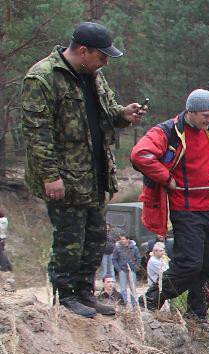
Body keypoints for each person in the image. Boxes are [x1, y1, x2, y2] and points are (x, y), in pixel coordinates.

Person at [21, 21, 146, 318]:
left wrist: (124, 115)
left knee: (94, 239)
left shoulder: (95, 76)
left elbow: (108, 114)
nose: (105, 63)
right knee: (69, 240)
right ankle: (65, 296)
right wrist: (50, 176)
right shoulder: (42, 78)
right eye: (101, 56)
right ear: (82, 51)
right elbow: (38, 134)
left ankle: (85, 293)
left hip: (95, 174)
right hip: (65, 177)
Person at [131, 89, 209, 327]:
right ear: (190, 111)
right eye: (206, 115)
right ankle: (148, 302)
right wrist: (166, 178)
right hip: (185, 209)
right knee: (189, 265)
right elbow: (140, 155)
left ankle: (197, 316)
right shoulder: (167, 131)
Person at [111, 232, 140, 307]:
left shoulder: (134, 248)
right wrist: (119, 269)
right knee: (123, 288)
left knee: (133, 287)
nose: (121, 241)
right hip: (122, 270)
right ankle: (124, 303)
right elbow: (114, 259)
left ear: (128, 239)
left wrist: (136, 267)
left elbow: (138, 258)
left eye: (123, 239)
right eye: (121, 239)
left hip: (132, 270)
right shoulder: (117, 248)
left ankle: (134, 303)